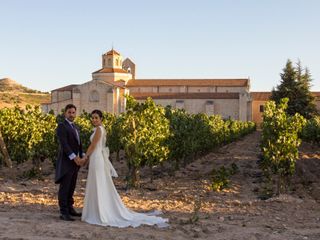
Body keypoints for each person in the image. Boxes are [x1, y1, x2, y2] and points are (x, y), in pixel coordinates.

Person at [79, 109, 169, 228]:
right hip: (97, 158)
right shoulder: (99, 129)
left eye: (96, 117)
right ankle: (97, 209)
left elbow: (93, 145)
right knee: (98, 183)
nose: (94, 120)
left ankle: (100, 212)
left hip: (97, 158)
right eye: (93, 117)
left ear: (101, 119)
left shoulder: (99, 130)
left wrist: (85, 157)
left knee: (98, 183)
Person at [55, 104, 83, 221]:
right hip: (67, 161)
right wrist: (74, 157)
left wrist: (81, 156)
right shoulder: (62, 126)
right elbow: (64, 144)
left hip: (75, 163)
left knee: (72, 186)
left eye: (73, 112)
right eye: (69, 112)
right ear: (65, 113)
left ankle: (70, 208)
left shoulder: (76, 127)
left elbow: (78, 144)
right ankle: (64, 212)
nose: (71, 114)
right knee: (65, 187)